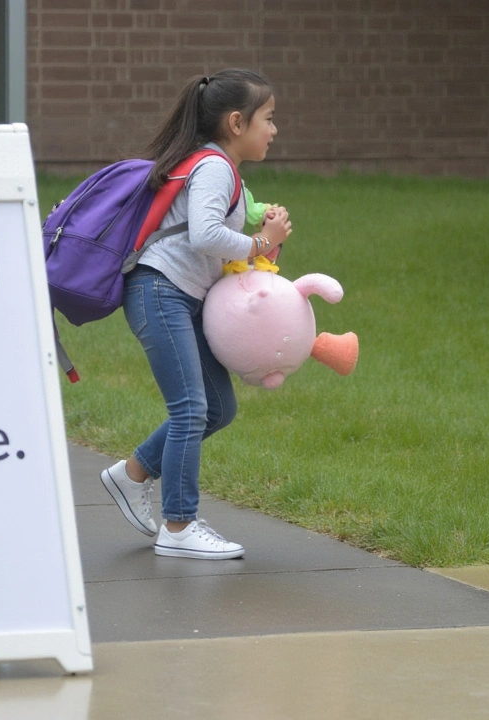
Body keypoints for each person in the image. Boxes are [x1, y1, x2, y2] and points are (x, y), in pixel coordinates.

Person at [99, 69, 291, 560]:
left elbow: (210, 244)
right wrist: (262, 243)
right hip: (159, 292)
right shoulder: (216, 167)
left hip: (180, 297)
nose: (273, 130)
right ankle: (179, 526)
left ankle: (134, 472)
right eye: (268, 119)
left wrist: (261, 245)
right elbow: (205, 234)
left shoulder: (219, 168)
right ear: (235, 122)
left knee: (218, 407)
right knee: (190, 408)